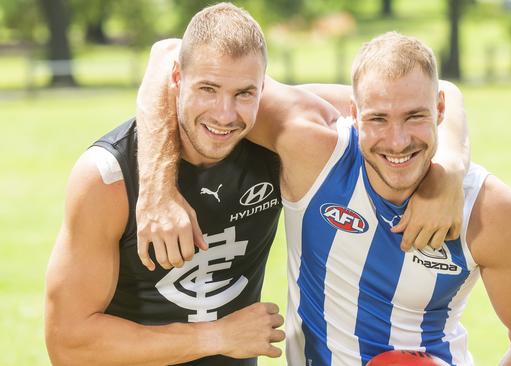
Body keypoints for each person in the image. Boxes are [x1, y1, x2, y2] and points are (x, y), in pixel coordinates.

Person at [45, 3, 470, 366]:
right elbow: (67, 340)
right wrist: (213, 337)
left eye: (245, 93)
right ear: (176, 82)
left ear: (265, 90)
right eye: (207, 89)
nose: (225, 114)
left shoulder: (278, 135)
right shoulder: (107, 177)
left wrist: (448, 169)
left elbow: (430, 97)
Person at [137, 32, 511, 365]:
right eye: (378, 118)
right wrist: (156, 191)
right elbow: (170, 55)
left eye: (415, 116)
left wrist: (448, 168)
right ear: (353, 114)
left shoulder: (488, 211)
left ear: (439, 110)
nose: (397, 141)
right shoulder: (312, 152)